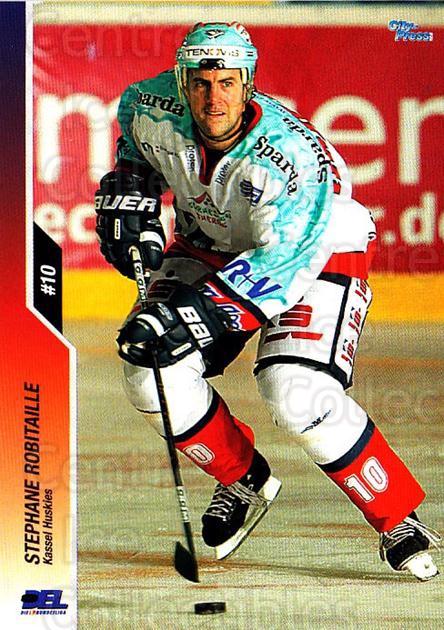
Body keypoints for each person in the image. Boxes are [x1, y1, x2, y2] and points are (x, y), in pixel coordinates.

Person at [95, 22, 440, 579]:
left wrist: (189, 315)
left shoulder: (290, 160)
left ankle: (398, 516)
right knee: (149, 372)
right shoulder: (149, 103)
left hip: (316, 250)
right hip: (210, 242)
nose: (214, 99)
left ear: (249, 83)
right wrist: (131, 184)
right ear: (182, 83)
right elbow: (135, 142)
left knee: (295, 391)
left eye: (227, 83)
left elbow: (279, 270)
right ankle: (243, 479)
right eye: (201, 83)